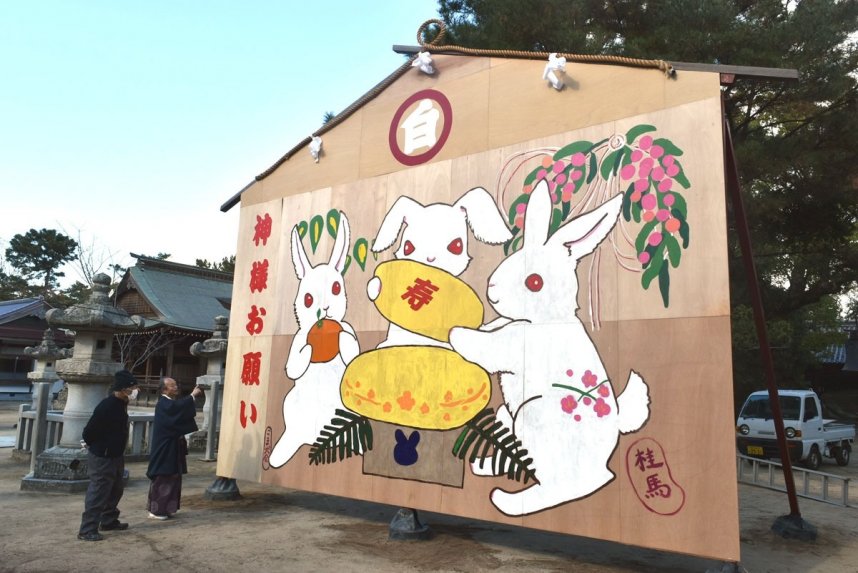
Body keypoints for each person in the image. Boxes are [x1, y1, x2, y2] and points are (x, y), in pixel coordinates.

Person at [77, 369, 139, 541]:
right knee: (99, 491)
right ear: (122, 388)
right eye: (132, 387)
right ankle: (87, 529)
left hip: (116, 454)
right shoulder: (107, 405)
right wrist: (98, 446)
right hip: (102, 455)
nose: (135, 390)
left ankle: (109, 520)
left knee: (116, 488)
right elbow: (89, 432)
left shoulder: (122, 403)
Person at [146, 377, 202, 519]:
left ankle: (166, 509)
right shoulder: (164, 404)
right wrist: (192, 396)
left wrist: (190, 398)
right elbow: (177, 409)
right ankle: (157, 510)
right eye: (172, 385)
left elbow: (178, 410)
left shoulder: (168, 403)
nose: (176, 387)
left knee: (172, 477)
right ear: (164, 389)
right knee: (164, 476)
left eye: (175, 384)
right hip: (165, 447)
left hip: (171, 445)